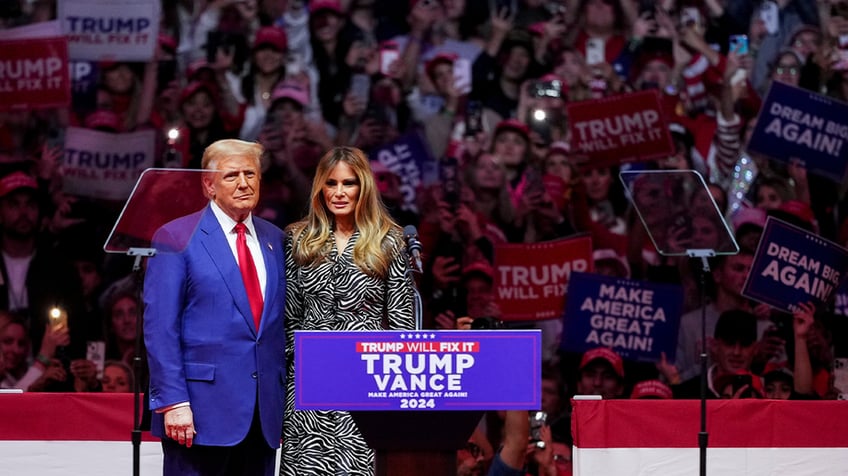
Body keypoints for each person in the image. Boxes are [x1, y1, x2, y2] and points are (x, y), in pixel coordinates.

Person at [143, 139, 286, 476]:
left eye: (250, 174)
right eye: (232, 175)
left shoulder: (276, 239)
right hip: (198, 414)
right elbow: (160, 328)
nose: (244, 183)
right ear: (208, 184)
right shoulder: (176, 237)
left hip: (262, 415)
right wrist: (173, 402)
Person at [282, 146, 415, 476]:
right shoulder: (298, 239)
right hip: (308, 379)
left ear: (364, 187)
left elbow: (402, 326)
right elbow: (289, 317)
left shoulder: (390, 241)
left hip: (364, 379)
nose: (339, 192)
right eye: (331, 183)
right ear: (320, 188)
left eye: (349, 183)